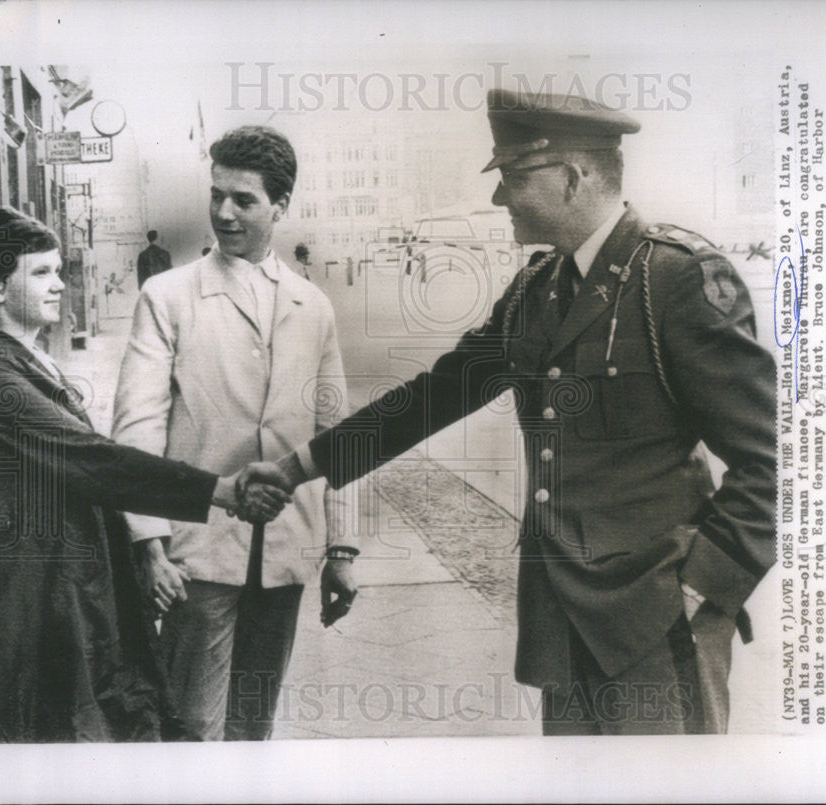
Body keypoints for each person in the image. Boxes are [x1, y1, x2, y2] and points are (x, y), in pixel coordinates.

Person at [255, 89, 778, 735]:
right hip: (562, 619)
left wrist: (705, 587)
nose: (501, 198)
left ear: (572, 177)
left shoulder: (675, 280)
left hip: (657, 620)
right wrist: (298, 465)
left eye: (513, 177)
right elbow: (434, 396)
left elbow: (777, 459)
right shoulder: (536, 288)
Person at [0, 207, 286, 743]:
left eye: (59, 270)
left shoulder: (29, 363)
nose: (59, 285)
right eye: (40, 273)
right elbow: (95, 460)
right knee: (59, 737)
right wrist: (219, 490)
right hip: (33, 602)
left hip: (68, 587)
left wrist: (145, 554)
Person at [112, 125, 358, 741]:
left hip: (285, 554)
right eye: (217, 194)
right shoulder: (167, 296)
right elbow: (137, 426)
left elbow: (339, 438)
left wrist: (341, 550)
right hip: (197, 556)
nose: (223, 212)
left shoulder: (313, 306)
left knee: (255, 726)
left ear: (280, 205)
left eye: (243, 200)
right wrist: (149, 543)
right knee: (191, 726)